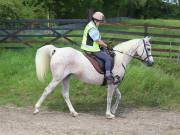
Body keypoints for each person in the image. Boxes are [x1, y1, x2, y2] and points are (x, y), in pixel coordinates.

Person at [81, 11, 114, 84]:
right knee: (108, 58)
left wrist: (105, 44)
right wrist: (107, 46)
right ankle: (108, 76)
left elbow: (98, 39)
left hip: (92, 47)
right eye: (100, 21)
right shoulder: (92, 28)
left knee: (106, 52)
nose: (101, 23)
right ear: (95, 20)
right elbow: (98, 41)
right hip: (91, 49)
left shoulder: (93, 25)